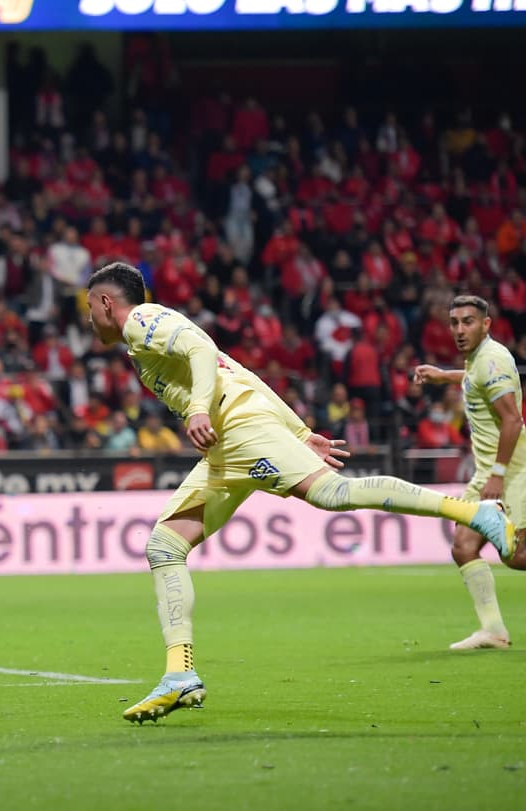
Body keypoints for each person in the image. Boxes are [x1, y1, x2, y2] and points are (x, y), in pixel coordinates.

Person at [85, 263, 514, 723]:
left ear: (108, 303)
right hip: (228, 444)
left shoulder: (141, 319)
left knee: (334, 494)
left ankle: (476, 512)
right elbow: (238, 369)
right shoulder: (138, 341)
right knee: (164, 545)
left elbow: (201, 348)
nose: (89, 318)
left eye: (91, 308)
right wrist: (299, 429)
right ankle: (179, 674)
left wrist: (195, 409)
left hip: (239, 429)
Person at [413, 294, 526, 650]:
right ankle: (493, 630)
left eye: (469, 322)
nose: (460, 330)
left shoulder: (491, 360)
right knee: (463, 546)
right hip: (489, 472)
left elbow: (513, 419)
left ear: (486, 324)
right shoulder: (479, 361)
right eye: (455, 322)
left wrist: (498, 473)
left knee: (517, 556)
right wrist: (445, 376)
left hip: (513, 470)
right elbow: (474, 378)